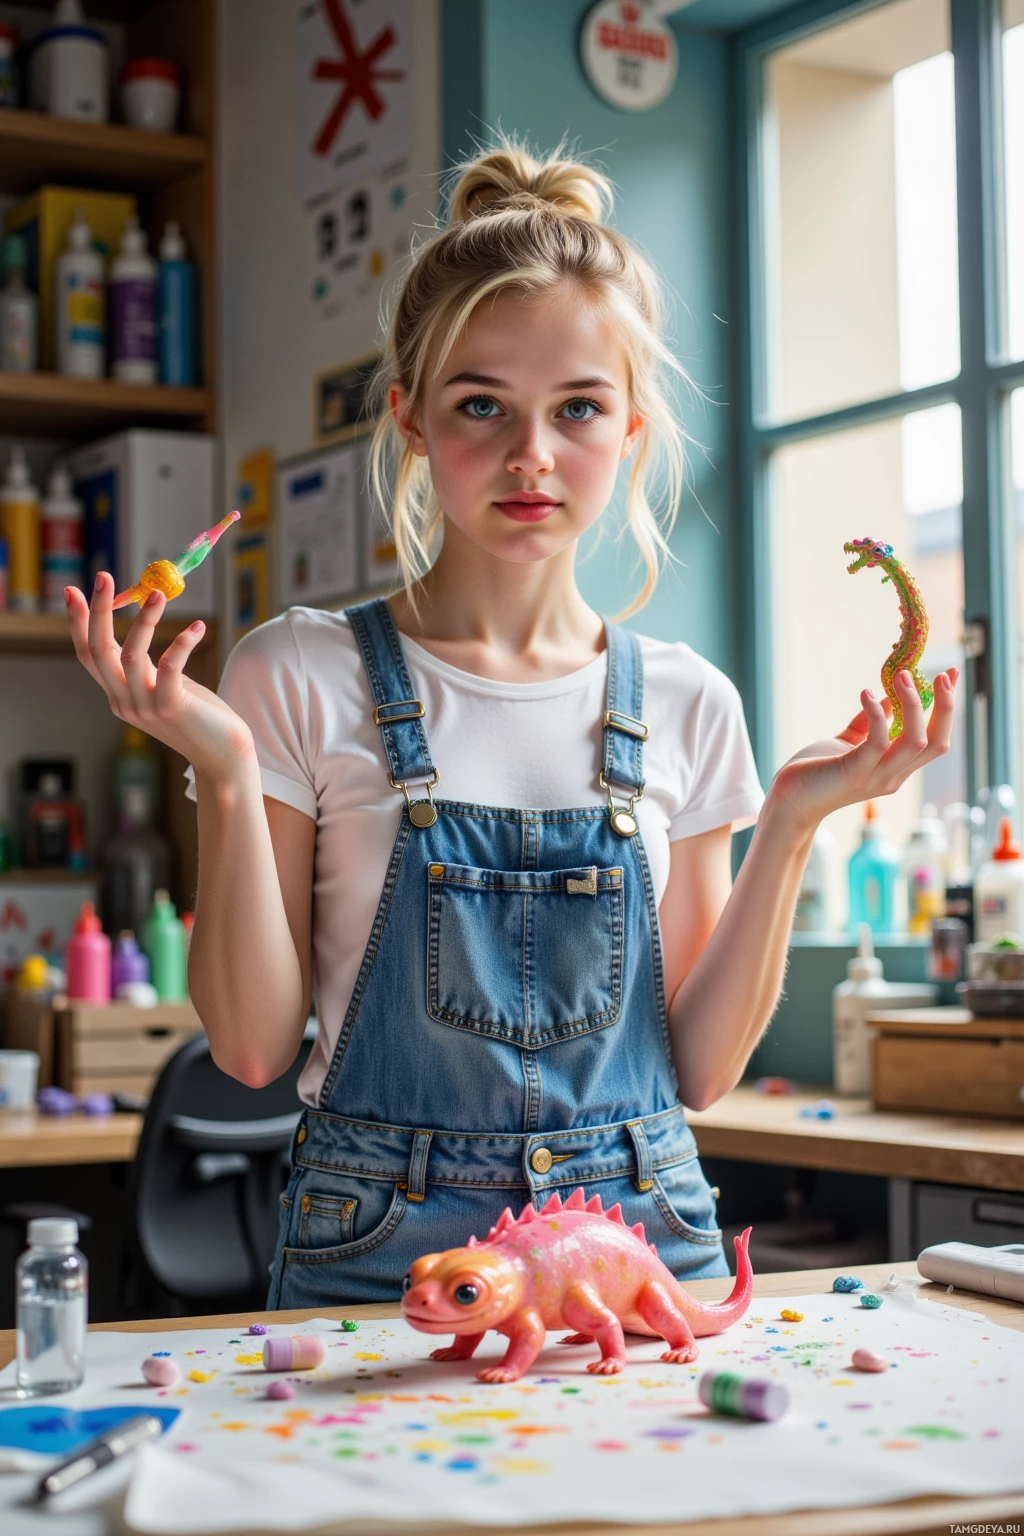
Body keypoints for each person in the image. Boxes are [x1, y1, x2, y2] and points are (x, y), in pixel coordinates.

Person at [65, 139, 957, 1308]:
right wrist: (226, 775)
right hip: (384, 1256)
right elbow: (249, 1052)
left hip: (636, 1253)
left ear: (627, 431)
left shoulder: (689, 700)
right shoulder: (294, 670)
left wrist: (789, 823)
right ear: (413, 422)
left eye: (578, 408)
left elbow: (699, 1074)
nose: (531, 455)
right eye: (480, 404)